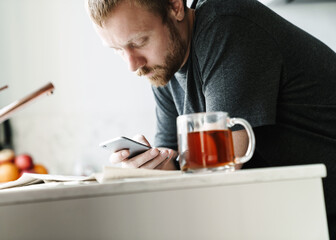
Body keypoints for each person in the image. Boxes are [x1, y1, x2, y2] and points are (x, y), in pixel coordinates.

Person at [87, 0, 336, 237]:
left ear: (175, 6)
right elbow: (176, 172)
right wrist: (150, 167)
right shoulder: (162, 66)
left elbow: (217, 179)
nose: (132, 65)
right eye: (119, 50)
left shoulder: (226, 24)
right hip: (297, 215)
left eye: (140, 41)